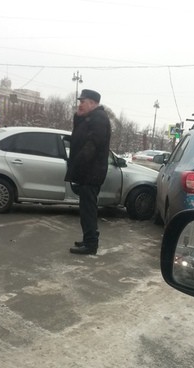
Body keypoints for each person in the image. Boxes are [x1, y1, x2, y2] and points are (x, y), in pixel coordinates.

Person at [65, 89, 111, 255]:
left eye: (83, 102)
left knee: (88, 209)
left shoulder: (99, 119)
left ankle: (91, 244)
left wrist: (79, 161)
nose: (80, 104)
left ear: (92, 103)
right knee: (86, 209)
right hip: (88, 171)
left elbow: (93, 144)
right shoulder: (91, 118)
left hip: (91, 172)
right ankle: (88, 239)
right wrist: (78, 116)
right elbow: (81, 134)